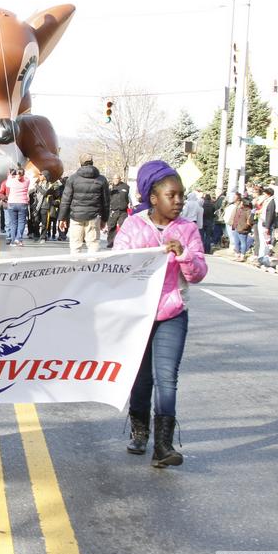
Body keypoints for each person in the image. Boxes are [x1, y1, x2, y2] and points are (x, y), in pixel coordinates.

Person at [113, 160, 207, 468]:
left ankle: (163, 445)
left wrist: (184, 255)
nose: (179, 201)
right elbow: (117, 265)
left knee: (167, 377)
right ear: (153, 198)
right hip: (138, 315)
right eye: (172, 195)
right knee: (141, 379)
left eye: (181, 195)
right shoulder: (133, 226)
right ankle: (140, 430)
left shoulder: (188, 230)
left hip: (172, 312)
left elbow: (197, 274)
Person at [58, 156, 109, 254]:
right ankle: (92, 267)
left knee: (75, 245)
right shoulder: (101, 179)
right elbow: (106, 202)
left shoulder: (73, 178)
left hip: (76, 216)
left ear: (80, 163)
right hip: (94, 216)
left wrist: (62, 218)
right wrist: (104, 219)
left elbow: (65, 200)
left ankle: (75, 267)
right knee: (93, 244)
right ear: (92, 162)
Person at [1, 167, 31, 246]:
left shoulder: (11, 181)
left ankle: (13, 240)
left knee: (13, 223)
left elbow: (7, 181)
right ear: (23, 175)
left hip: (12, 203)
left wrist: (11, 175)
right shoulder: (26, 181)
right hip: (22, 203)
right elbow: (27, 177)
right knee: (21, 222)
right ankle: (19, 238)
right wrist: (22, 173)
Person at [106, 175, 131, 249]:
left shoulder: (126, 187)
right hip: (113, 210)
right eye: (114, 179)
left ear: (120, 179)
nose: (115, 180)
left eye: (117, 178)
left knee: (123, 226)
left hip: (123, 210)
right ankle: (111, 242)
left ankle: (122, 242)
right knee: (111, 227)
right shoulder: (110, 187)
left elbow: (129, 197)